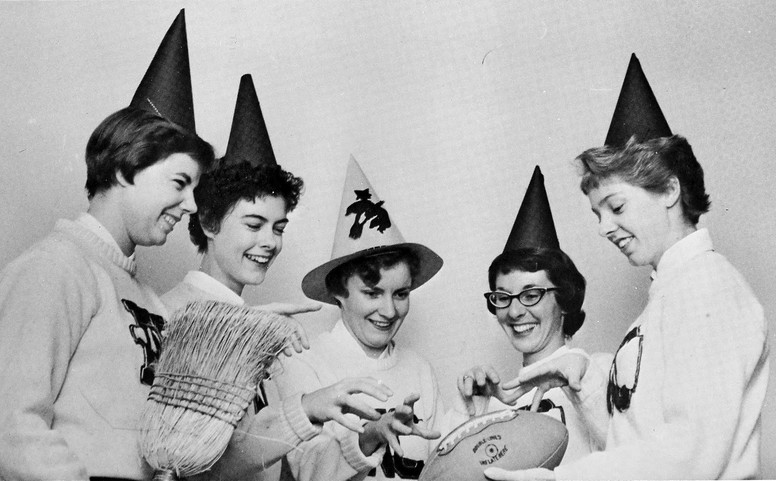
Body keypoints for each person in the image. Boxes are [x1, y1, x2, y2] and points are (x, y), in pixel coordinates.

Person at [485, 54, 769, 480]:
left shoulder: (707, 289)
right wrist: (584, 384)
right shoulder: (671, 292)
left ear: (669, 190)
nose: (604, 228)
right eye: (597, 214)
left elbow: (689, 456)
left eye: (616, 207)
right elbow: (638, 445)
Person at [0, 12, 216, 481]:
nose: (191, 205)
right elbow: (10, 426)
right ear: (128, 168)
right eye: (180, 183)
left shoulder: (146, 296)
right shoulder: (54, 268)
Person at [160, 76, 394, 481]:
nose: (269, 242)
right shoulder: (172, 316)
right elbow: (187, 464)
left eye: (279, 228)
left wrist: (366, 436)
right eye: (254, 224)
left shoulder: (264, 329)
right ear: (210, 222)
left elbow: (276, 462)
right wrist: (304, 409)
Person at [273, 156, 445, 480]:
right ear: (338, 291)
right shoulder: (303, 362)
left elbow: (442, 469)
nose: (389, 311)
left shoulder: (420, 369)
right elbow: (307, 471)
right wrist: (369, 437)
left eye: (401, 294)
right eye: (372, 293)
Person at [455, 166, 610, 465]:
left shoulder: (601, 372)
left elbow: (632, 457)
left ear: (564, 298)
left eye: (531, 295)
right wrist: (471, 413)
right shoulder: (494, 400)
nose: (514, 312)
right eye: (503, 297)